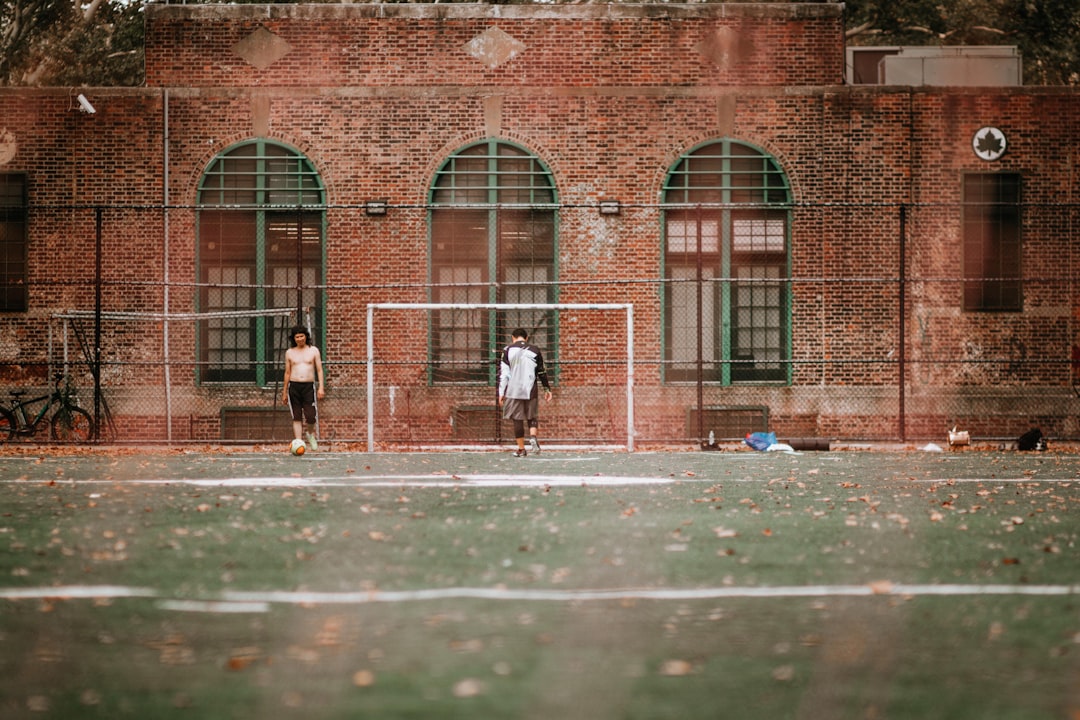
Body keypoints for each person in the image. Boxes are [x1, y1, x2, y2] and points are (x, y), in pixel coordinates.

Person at [498, 328, 552, 457]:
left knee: (517, 419)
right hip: (530, 389)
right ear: (526, 338)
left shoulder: (507, 350)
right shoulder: (535, 350)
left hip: (513, 390)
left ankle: (521, 449)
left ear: (513, 337)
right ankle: (533, 437)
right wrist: (547, 389)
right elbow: (541, 371)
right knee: (532, 416)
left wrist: (501, 392)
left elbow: (504, 374)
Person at [282, 325, 325, 450]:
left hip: (308, 386)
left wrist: (321, 387)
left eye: (302, 336)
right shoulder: (289, 352)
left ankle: (310, 434)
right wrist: (284, 392)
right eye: (297, 337)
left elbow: (319, 370)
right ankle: (299, 442)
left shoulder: (314, 351)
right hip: (294, 386)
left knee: (311, 416)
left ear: (306, 336)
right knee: (297, 416)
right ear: (293, 338)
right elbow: (287, 373)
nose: (300, 339)